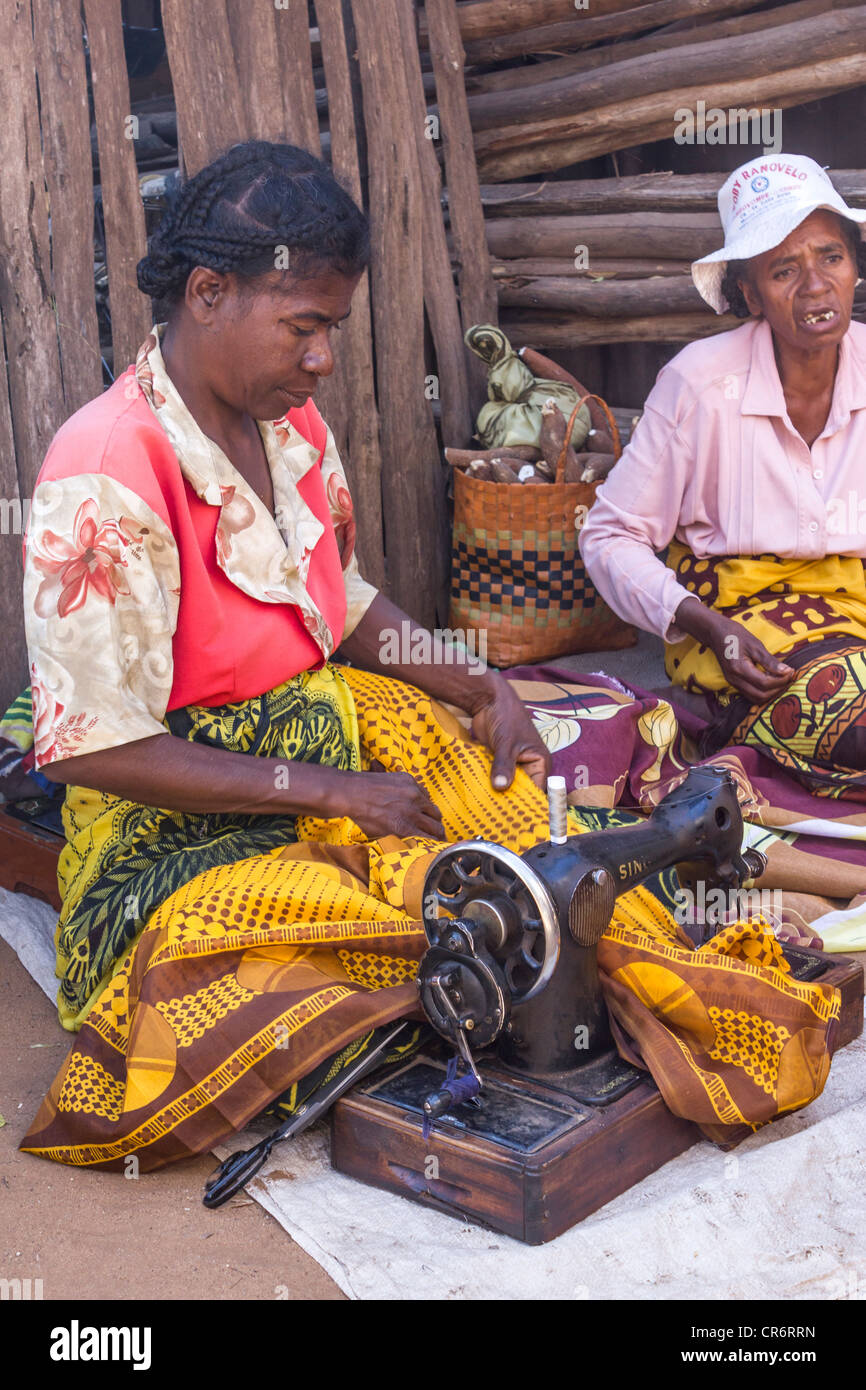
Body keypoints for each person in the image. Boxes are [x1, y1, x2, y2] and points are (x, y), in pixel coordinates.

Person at [19, 143, 840, 1172]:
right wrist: (328, 789)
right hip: (168, 838)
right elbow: (90, 749)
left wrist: (468, 678)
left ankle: (701, 906)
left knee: (523, 852)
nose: (322, 359)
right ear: (208, 292)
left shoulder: (289, 430)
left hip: (329, 744)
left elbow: (340, 599)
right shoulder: (103, 472)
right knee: (344, 958)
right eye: (305, 326)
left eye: (331, 329)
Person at [579, 155, 866, 800]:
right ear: (748, 294)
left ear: (856, 267)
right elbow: (610, 535)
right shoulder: (701, 384)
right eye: (784, 270)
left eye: (832, 258)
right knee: (854, 719)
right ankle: (737, 725)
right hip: (745, 629)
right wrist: (707, 626)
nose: (816, 286)